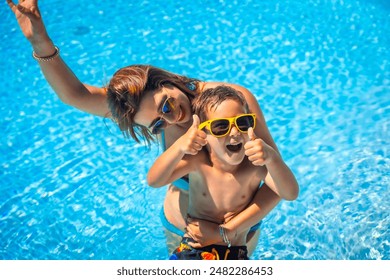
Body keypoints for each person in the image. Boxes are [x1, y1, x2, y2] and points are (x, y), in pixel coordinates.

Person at [7, 0, 284, 256]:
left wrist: (229, 230)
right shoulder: (144, 110)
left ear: (163, 80)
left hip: (238, 232)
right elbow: (76, 96)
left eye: (166, 106)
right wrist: (40, 42)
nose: (173, 120)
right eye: (158, 124)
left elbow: (276, 179)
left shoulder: (230, 103)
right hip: (183, 232)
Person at [147, 85, 299, 260]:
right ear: (203, 132)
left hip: (236, 253)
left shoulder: (255, 166)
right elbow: (154, 181)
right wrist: (180, 146)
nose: (235, 132)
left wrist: (272, 158)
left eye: (243, 123)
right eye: (221, 126)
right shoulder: (199, 162)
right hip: (194, 249)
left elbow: (290, 193)